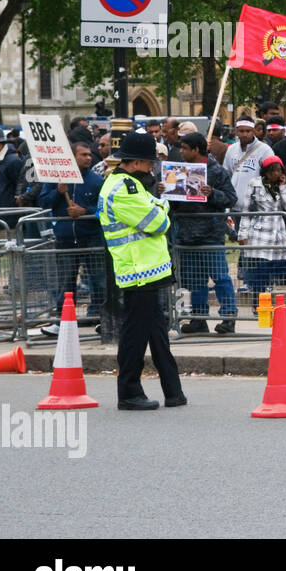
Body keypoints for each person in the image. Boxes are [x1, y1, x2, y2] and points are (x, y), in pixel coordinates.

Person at [97, 132, 185, 410]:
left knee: (157, 331)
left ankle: (173, 390)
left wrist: (153, 199)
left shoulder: (128, 184)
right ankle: (129, 392)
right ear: (135, 162)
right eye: (149, 163)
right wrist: (163, 202)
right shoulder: (124, 188)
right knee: (135, 334)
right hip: (137, 270)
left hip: (147, 269)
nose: (152, 168)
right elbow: (158, 223)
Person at [172, 133, 239, 334]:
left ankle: (228, 316)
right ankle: (199, 318)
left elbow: (230, 198)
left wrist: (213, 194)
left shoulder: (217, 171)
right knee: (194, 280)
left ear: (196, 149)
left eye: (185, 148)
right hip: (186, 234)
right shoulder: (179, 171)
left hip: (210, 234)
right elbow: (174, 202)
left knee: (220, 276)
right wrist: (165, 191)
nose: (181, 152)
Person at [36, 142, 104, 334]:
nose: (88, 158)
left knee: (99, 280)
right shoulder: (56, 179)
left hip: (90, 238)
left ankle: (100, 317)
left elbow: (104, 208)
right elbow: (43, 202)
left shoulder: (96, 181)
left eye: (89, 155)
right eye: (83, 155)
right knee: (66, 283)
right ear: (72, 157)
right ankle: (64, 321)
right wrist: (57, 192)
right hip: (65, 238)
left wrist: (85, 211)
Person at [237, 156, 286, 297]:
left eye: (278, 170)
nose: (275, 174)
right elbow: (246, 210)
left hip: (278, 231)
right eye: (271, 171)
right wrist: (242, 234)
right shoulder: (254, 183)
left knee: (273, 265)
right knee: (259, 265)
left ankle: (267, 292)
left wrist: (283, 188)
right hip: (259, 231)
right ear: (265, 171)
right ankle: (257, 296)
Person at [0, 125, 24, 291]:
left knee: (13, 251)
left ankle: (15, 282)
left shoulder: (13, 162)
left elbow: (19, 184)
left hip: (9, 216)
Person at [222, 117, 274, 215]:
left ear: (253, 131)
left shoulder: (265, 150)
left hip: (257, 208)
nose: (245, 134)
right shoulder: (231, 150)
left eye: (248, 131)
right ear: (236, 131)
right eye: (241, 131)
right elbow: (226, 174)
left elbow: (272, 176)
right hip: (235, 207)